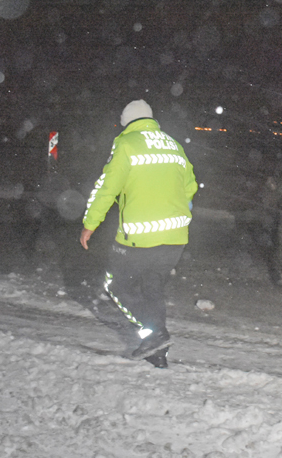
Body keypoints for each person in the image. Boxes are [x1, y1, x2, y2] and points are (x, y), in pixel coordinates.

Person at [80, 100, 197, 368]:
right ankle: (157, 353)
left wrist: (90, 223)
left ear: (126, 121)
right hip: (175, 237)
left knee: (116, 287)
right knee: (152, 288)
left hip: (140, 236)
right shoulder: (173, 145)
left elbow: (106, 188)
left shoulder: (126, 145)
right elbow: (190, 186)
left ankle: (156, 335)